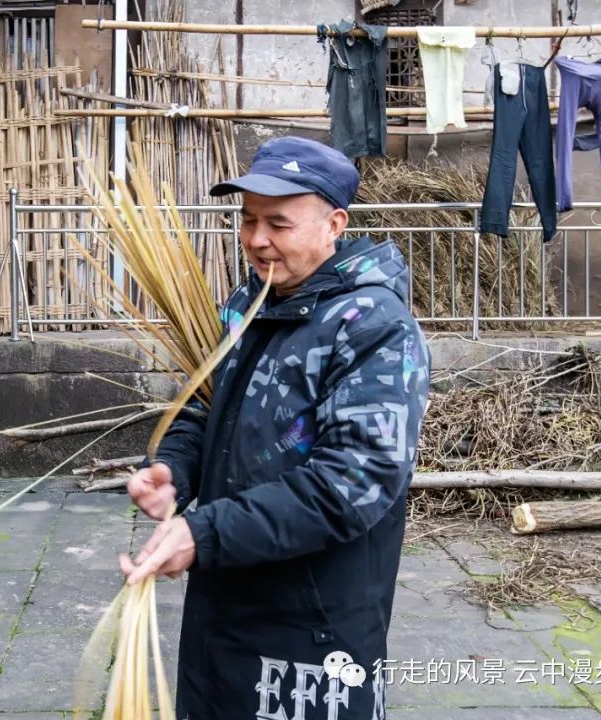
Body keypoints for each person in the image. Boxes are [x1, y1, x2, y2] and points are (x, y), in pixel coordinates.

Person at [121, 136, 431, 720]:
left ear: (333, 223)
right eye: (248, 220)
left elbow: (349, 485)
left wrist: (203, 534)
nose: (257, 240)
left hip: (312, 629)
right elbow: (203, 410)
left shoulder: (374, 327)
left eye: (278, 224)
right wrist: (172, 470)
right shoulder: (248, 303)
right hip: (224, 604)